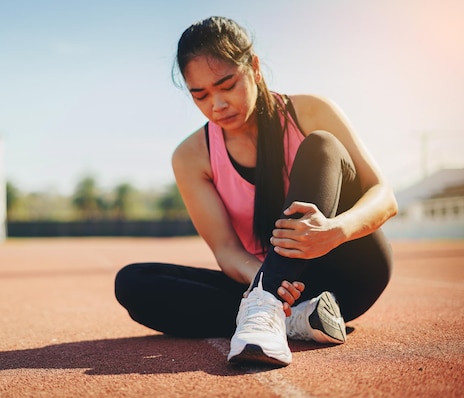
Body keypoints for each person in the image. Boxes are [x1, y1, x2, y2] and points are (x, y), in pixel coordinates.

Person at [114, 16, 397, 367]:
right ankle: (294, 318)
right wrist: (269, 283)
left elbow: (384, 195)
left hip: (349, 274)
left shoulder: (308, 111)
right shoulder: (191, 157)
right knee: (134, 283)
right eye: (200, 95)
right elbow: (226, 250)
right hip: (280, 287)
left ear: (255, 67)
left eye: (226, 85)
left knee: (322, 145)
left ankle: (267, 310)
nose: (216, 104)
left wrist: (333, 232)